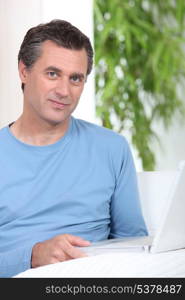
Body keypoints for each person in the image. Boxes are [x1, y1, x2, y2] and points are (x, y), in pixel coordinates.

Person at [0, 19, 148, 278]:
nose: (64, 91)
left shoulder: (112, 149)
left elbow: (134, 245)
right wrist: (31, 257)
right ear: (24, 71)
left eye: (76, 78)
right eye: (52, 74)